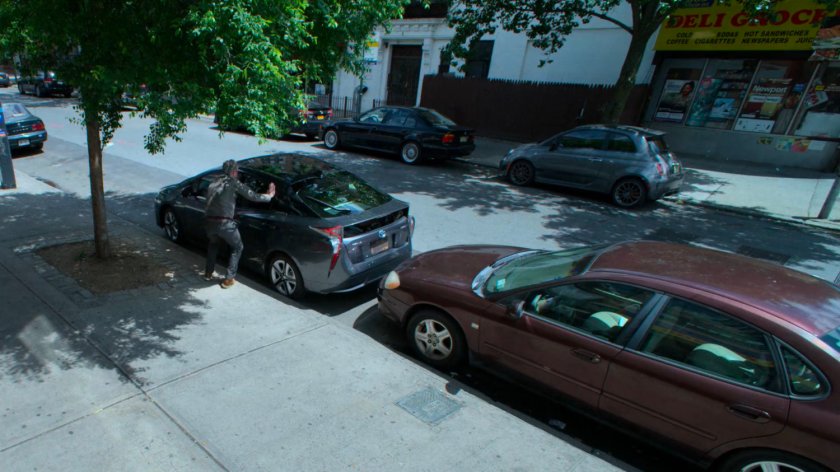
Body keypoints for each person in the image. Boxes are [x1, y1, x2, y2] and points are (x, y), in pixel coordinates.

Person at [204, 159, 275, 288]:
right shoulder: (232, 183)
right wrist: (269, 196)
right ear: (234, 172)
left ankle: (208, 273)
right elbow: (252, 195)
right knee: (238, 247)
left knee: (213, 244)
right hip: (225, 224)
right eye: (236, 171)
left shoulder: (213, 182)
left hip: (209, 223)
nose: (237, 173)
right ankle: (229, 279)